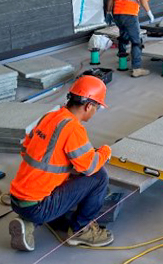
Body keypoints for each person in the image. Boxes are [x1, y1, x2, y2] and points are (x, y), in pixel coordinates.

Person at [8, 75, 113, 252]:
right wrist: (105, 152)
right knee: (99, 176)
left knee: (69, 176)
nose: (95, 111)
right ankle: (81, 230)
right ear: (88, 106)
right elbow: (89, 167)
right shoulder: (73, 129)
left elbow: (26, 150)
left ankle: (30, 223)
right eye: (97, 107)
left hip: (17, 199)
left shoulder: (50, 117)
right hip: (38, 206)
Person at [106, 0, 154, 78]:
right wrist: (149, 13)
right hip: (129, 15)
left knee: (123, 35)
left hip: (117, 14)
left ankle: (122, 56)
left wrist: (108, 12)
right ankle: (137, 68)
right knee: (136, 40)